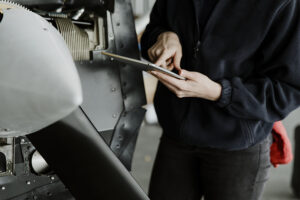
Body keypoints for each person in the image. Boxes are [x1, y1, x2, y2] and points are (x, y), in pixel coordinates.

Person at [141, 0, 300, 200]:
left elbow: (288, 90)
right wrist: (163, 37)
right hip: (176, 135)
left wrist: (219, 92)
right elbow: (153, 29)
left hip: (237, 146)